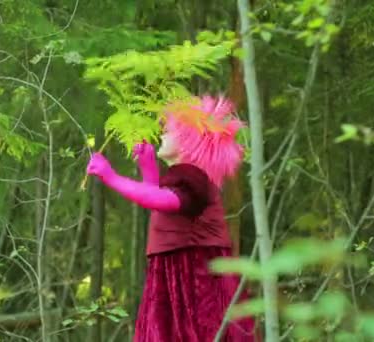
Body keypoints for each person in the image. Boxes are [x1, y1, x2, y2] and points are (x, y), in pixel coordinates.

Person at [86, 95, 259, 341]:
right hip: (177, 271)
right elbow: (160, 205)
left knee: (194, 332)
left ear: (187, 141)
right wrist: (148, 167)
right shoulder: (184, 178)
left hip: (192, 275)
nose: (162, 135)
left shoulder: (194, 178)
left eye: (168, 131)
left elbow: (164, 200)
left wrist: (112, 177)